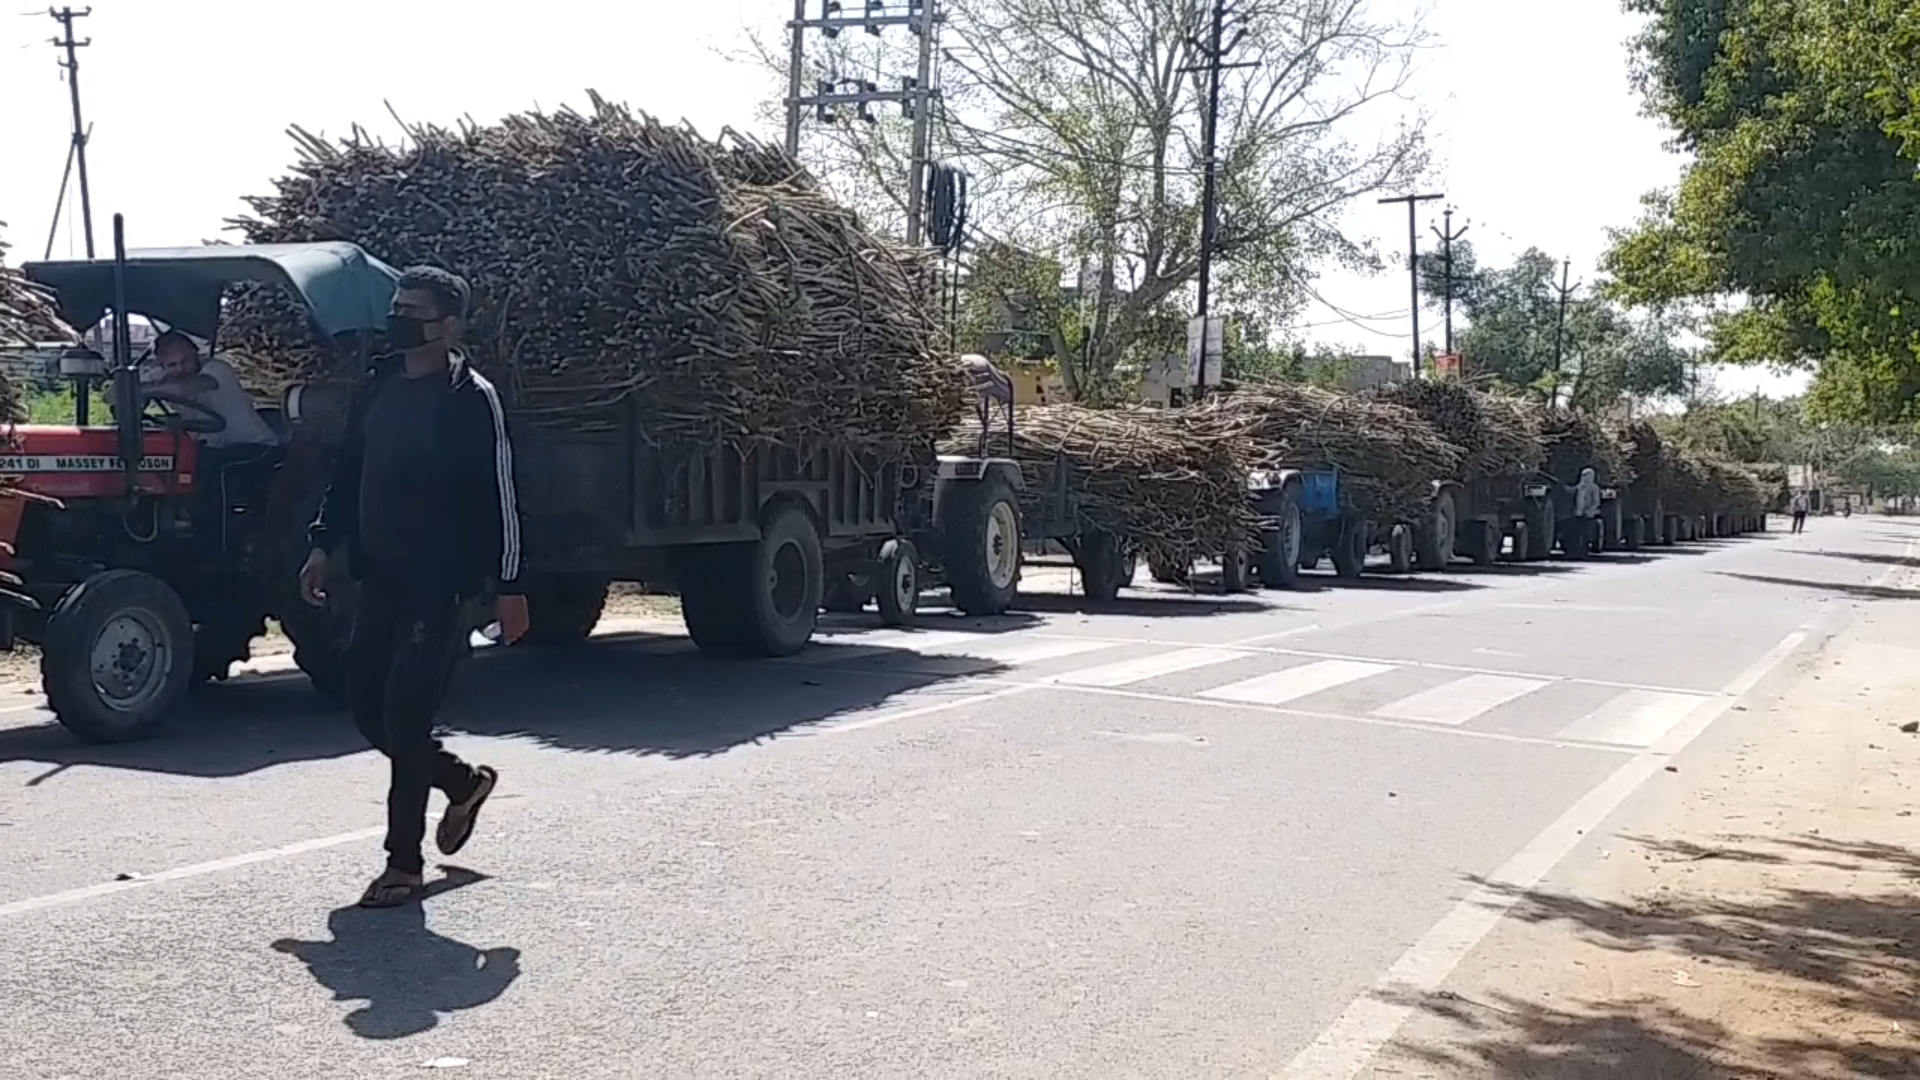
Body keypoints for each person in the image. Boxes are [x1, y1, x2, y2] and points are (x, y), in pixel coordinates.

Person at [298, 265, 531, 909]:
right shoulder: (379, 387)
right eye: (396, 307)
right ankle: (461, 783)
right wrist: (323, 545)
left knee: (405, 716)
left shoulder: (469, 398)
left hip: (440, 583)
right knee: (367, 710)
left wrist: (510, 586)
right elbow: (349, 472)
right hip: (379, 574)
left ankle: (403, 864)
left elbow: (500, 496)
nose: (398, 319)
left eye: (414, 311)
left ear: (448, 325)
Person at [144, 330, 283, 553]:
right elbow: (111, 394)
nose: (180, 369)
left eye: (185, 361)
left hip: (257, 448)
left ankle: (215, 548)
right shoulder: (164, 378)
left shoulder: (216, 370)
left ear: (196, 354)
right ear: (161, 365)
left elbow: (187, 388)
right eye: (172, 365)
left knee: (209, 467)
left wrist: (147, 390)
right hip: (212, 446)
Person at [1572, 467, 1603, 553]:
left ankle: (1585, 549)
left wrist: (1589, 510)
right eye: (1583, 475)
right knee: (1577, 532)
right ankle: (1577, 549)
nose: (1584, 477)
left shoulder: (1594, 488)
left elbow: (1596, 502)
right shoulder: (1579, 487)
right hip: (1578, 513)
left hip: (1588, 515)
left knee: (1587, 533)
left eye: (1586, 475)